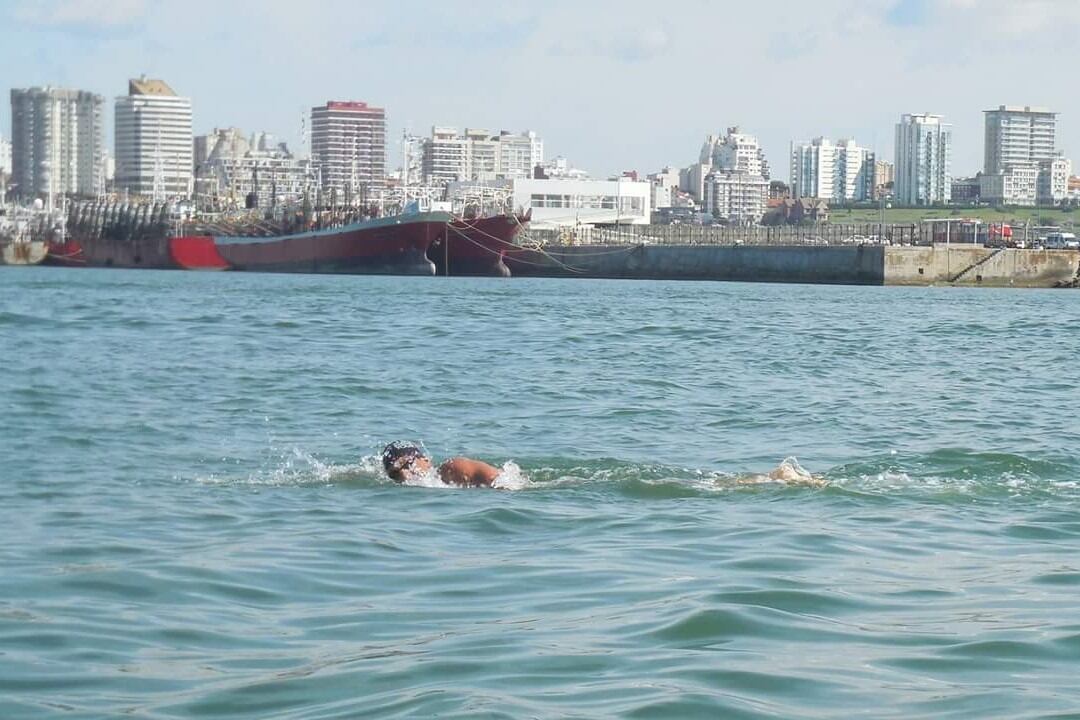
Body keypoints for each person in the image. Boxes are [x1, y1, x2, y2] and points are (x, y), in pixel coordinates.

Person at [382, 442, 501, 488]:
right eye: (395, 473)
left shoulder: (453, 469)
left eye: (408, 464)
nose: (405, 473)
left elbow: (503, 481)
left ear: (425, 459)